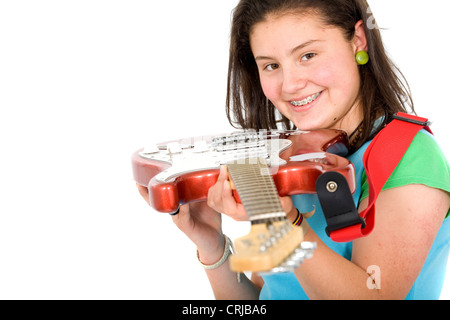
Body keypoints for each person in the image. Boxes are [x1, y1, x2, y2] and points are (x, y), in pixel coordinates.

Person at [137, 0, 450, 299]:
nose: (288, 85)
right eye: (272, 65)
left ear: (358, 40)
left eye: (308, 55)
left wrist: (286, 226)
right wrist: (213, 245)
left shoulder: (410, 155)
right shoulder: (293, 161)